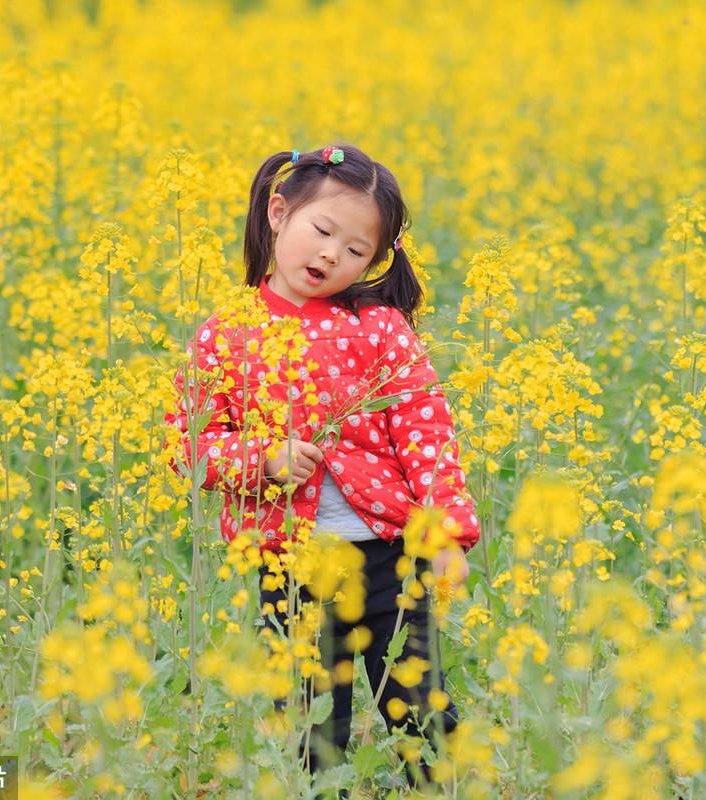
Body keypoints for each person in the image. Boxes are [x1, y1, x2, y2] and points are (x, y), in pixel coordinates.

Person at [165, 144, 479, 787]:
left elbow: (426, 432)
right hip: (291, 559)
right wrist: (261, 459)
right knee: (311, 720)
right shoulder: (225, 335)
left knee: (420, 707)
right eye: (323, 230)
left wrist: (446, 532)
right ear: (279, 213)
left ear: (376, 261)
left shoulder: (381, 328)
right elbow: (188, 445)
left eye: (357, 250)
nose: (333, 254)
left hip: (392, 555)